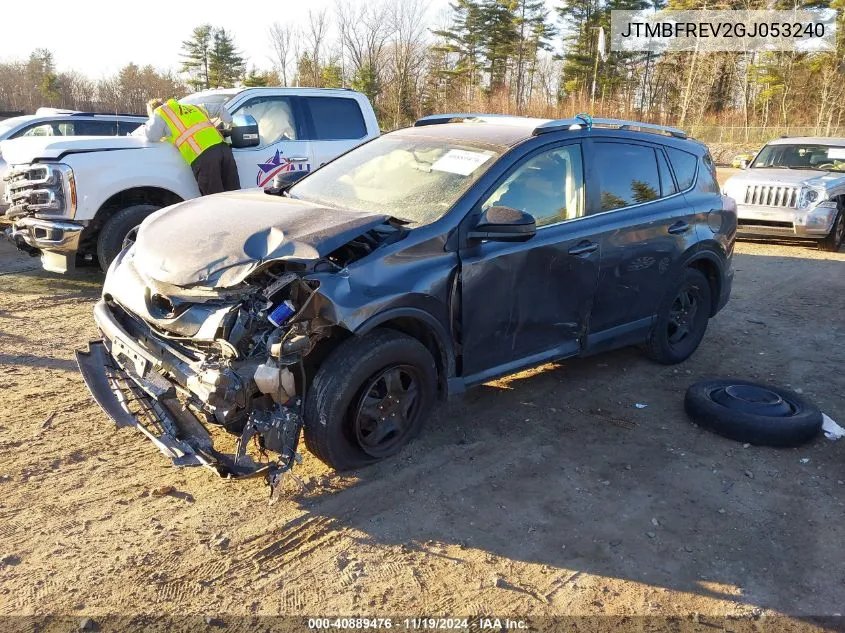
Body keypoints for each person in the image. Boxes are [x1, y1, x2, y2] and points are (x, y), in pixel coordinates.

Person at [141, 97, 240, 195]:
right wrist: (230, 124)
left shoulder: (161, 112)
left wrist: (149, 124)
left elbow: (152, 135)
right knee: (234, 194)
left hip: (204, 156)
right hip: (224, 149)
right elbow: (220, 108)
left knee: (214, 198)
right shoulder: (194, 107)